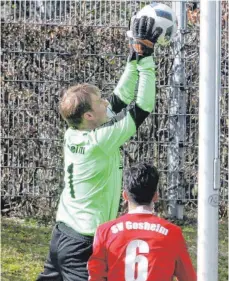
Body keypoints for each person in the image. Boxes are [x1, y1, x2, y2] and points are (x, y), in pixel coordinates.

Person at [37, 16, 162, 281]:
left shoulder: (77, 132)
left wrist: (134, 54)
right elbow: (142, 107)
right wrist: (147, 60)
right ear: (89, 116)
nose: (106, 102)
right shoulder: (99, 141)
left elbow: (120, 96)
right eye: (99, 102)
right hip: (82, 243)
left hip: (63, 233)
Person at [88, 163, 197, 281]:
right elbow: (188, 277)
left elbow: (95, 275)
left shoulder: (105, 232)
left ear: (125, 196)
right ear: (156, 196)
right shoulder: (172, 233)